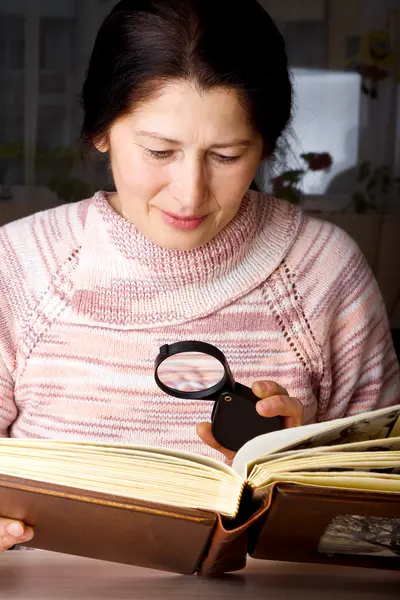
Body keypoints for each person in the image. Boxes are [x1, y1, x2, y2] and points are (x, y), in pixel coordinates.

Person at [0, 0, 399, 552]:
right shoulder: (22, 265)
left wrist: (304, 467)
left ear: (265, 145)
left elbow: (380, 521)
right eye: (159, 151)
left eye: (227, 156)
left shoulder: (324, 270)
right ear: (100, 131)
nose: (190, 193)